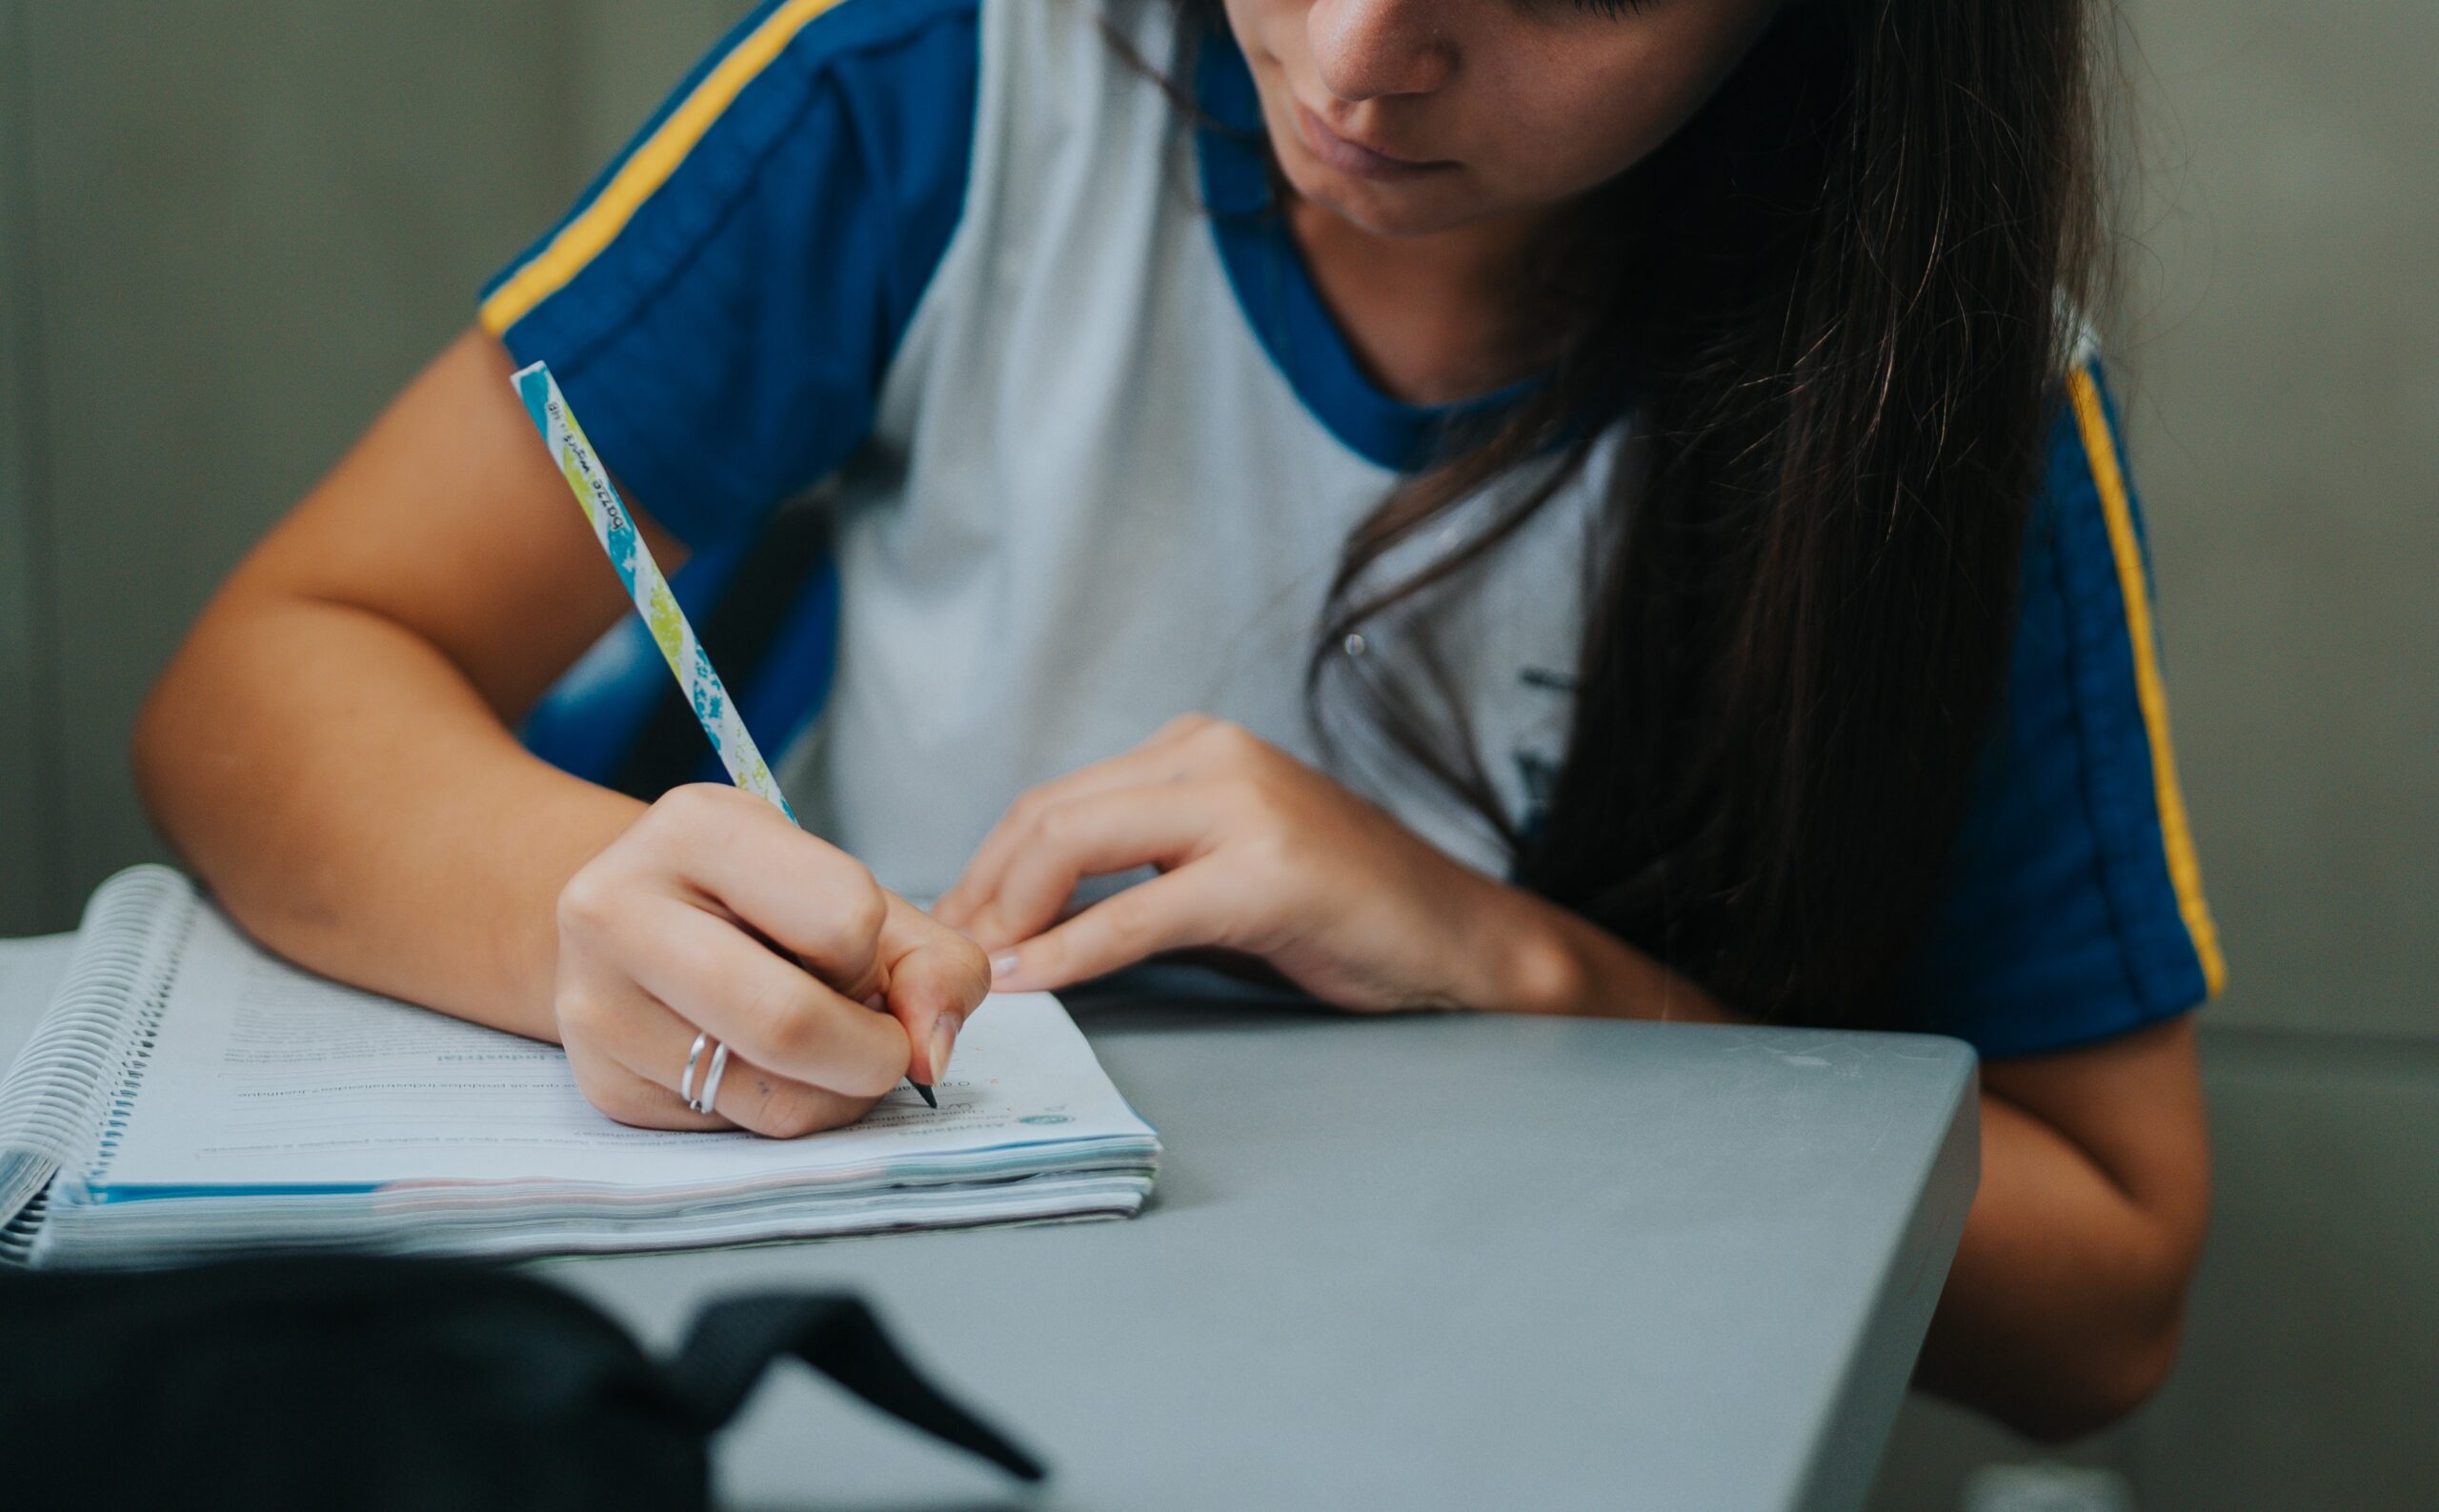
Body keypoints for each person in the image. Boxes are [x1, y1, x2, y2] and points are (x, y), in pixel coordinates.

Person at [136, 0, 2219, 1439]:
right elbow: (274, 667)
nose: (1350, 56)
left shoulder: (1949, 407)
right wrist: (581, 918)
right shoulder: (958, 71)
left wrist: (1514, 971)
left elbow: (2105, 1293)